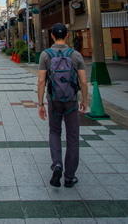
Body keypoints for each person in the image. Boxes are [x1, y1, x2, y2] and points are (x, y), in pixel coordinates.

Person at [37, 23, 88, 189]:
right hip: (71, 101)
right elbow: (84, 82)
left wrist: (41, 104)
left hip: (53, 100)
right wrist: (84, 100)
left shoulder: (45, 55)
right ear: (67, 36)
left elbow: (41, 81)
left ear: (52, 36)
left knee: (54, 131)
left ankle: (57, 165)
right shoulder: (75, 55)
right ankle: (69, 177)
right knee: (73, 137)